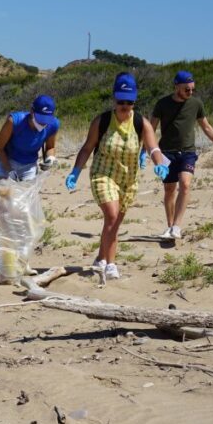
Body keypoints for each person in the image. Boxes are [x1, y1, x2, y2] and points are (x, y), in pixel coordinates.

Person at [65, 72, 169, 281]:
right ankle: (111, 264)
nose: (125, 106)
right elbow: (87, 148)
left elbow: (153, 148)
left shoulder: (141, 123)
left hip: (128, 181)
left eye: (129, 102)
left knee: (113, 224)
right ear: (114, 99)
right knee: (112, 216)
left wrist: (159, 163)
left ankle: (100, 258)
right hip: (103, 174)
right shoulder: (102, 121)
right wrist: (75, 172)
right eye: (121, 101)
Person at [149, 70, 213, 240]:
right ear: (176, 87)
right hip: (167, 153)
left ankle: (177, 227)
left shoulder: (196, 104)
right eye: (187, 89)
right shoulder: (162, 104)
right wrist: (144, 151)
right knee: (169, 190)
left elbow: (206, 127)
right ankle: (170, 227)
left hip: (188, 152)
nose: (190, 92)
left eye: (192, 89)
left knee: (185, 184)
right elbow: (150, 129)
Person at [0, 94, 59, 180]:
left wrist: (50, 158)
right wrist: (9, 170)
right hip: (6, 160)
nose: (43, 123)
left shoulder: (53, 125)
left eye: (47, 119)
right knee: (1, 186)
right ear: (32, 111)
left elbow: (50, 147)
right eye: (41, 118)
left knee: (28, 188)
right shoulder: (14, 121)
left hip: (29, 166)